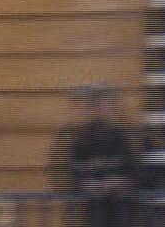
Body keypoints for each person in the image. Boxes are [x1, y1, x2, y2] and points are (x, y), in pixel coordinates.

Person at [49, 85, 143, 227]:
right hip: (91, 206)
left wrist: (120, 181)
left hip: (123, 204)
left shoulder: (126, 134)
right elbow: (63, 171)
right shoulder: (72, 137)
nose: (98, 110)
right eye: (92, 106)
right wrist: (84, 184)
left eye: (105, 105)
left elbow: (139, 169)